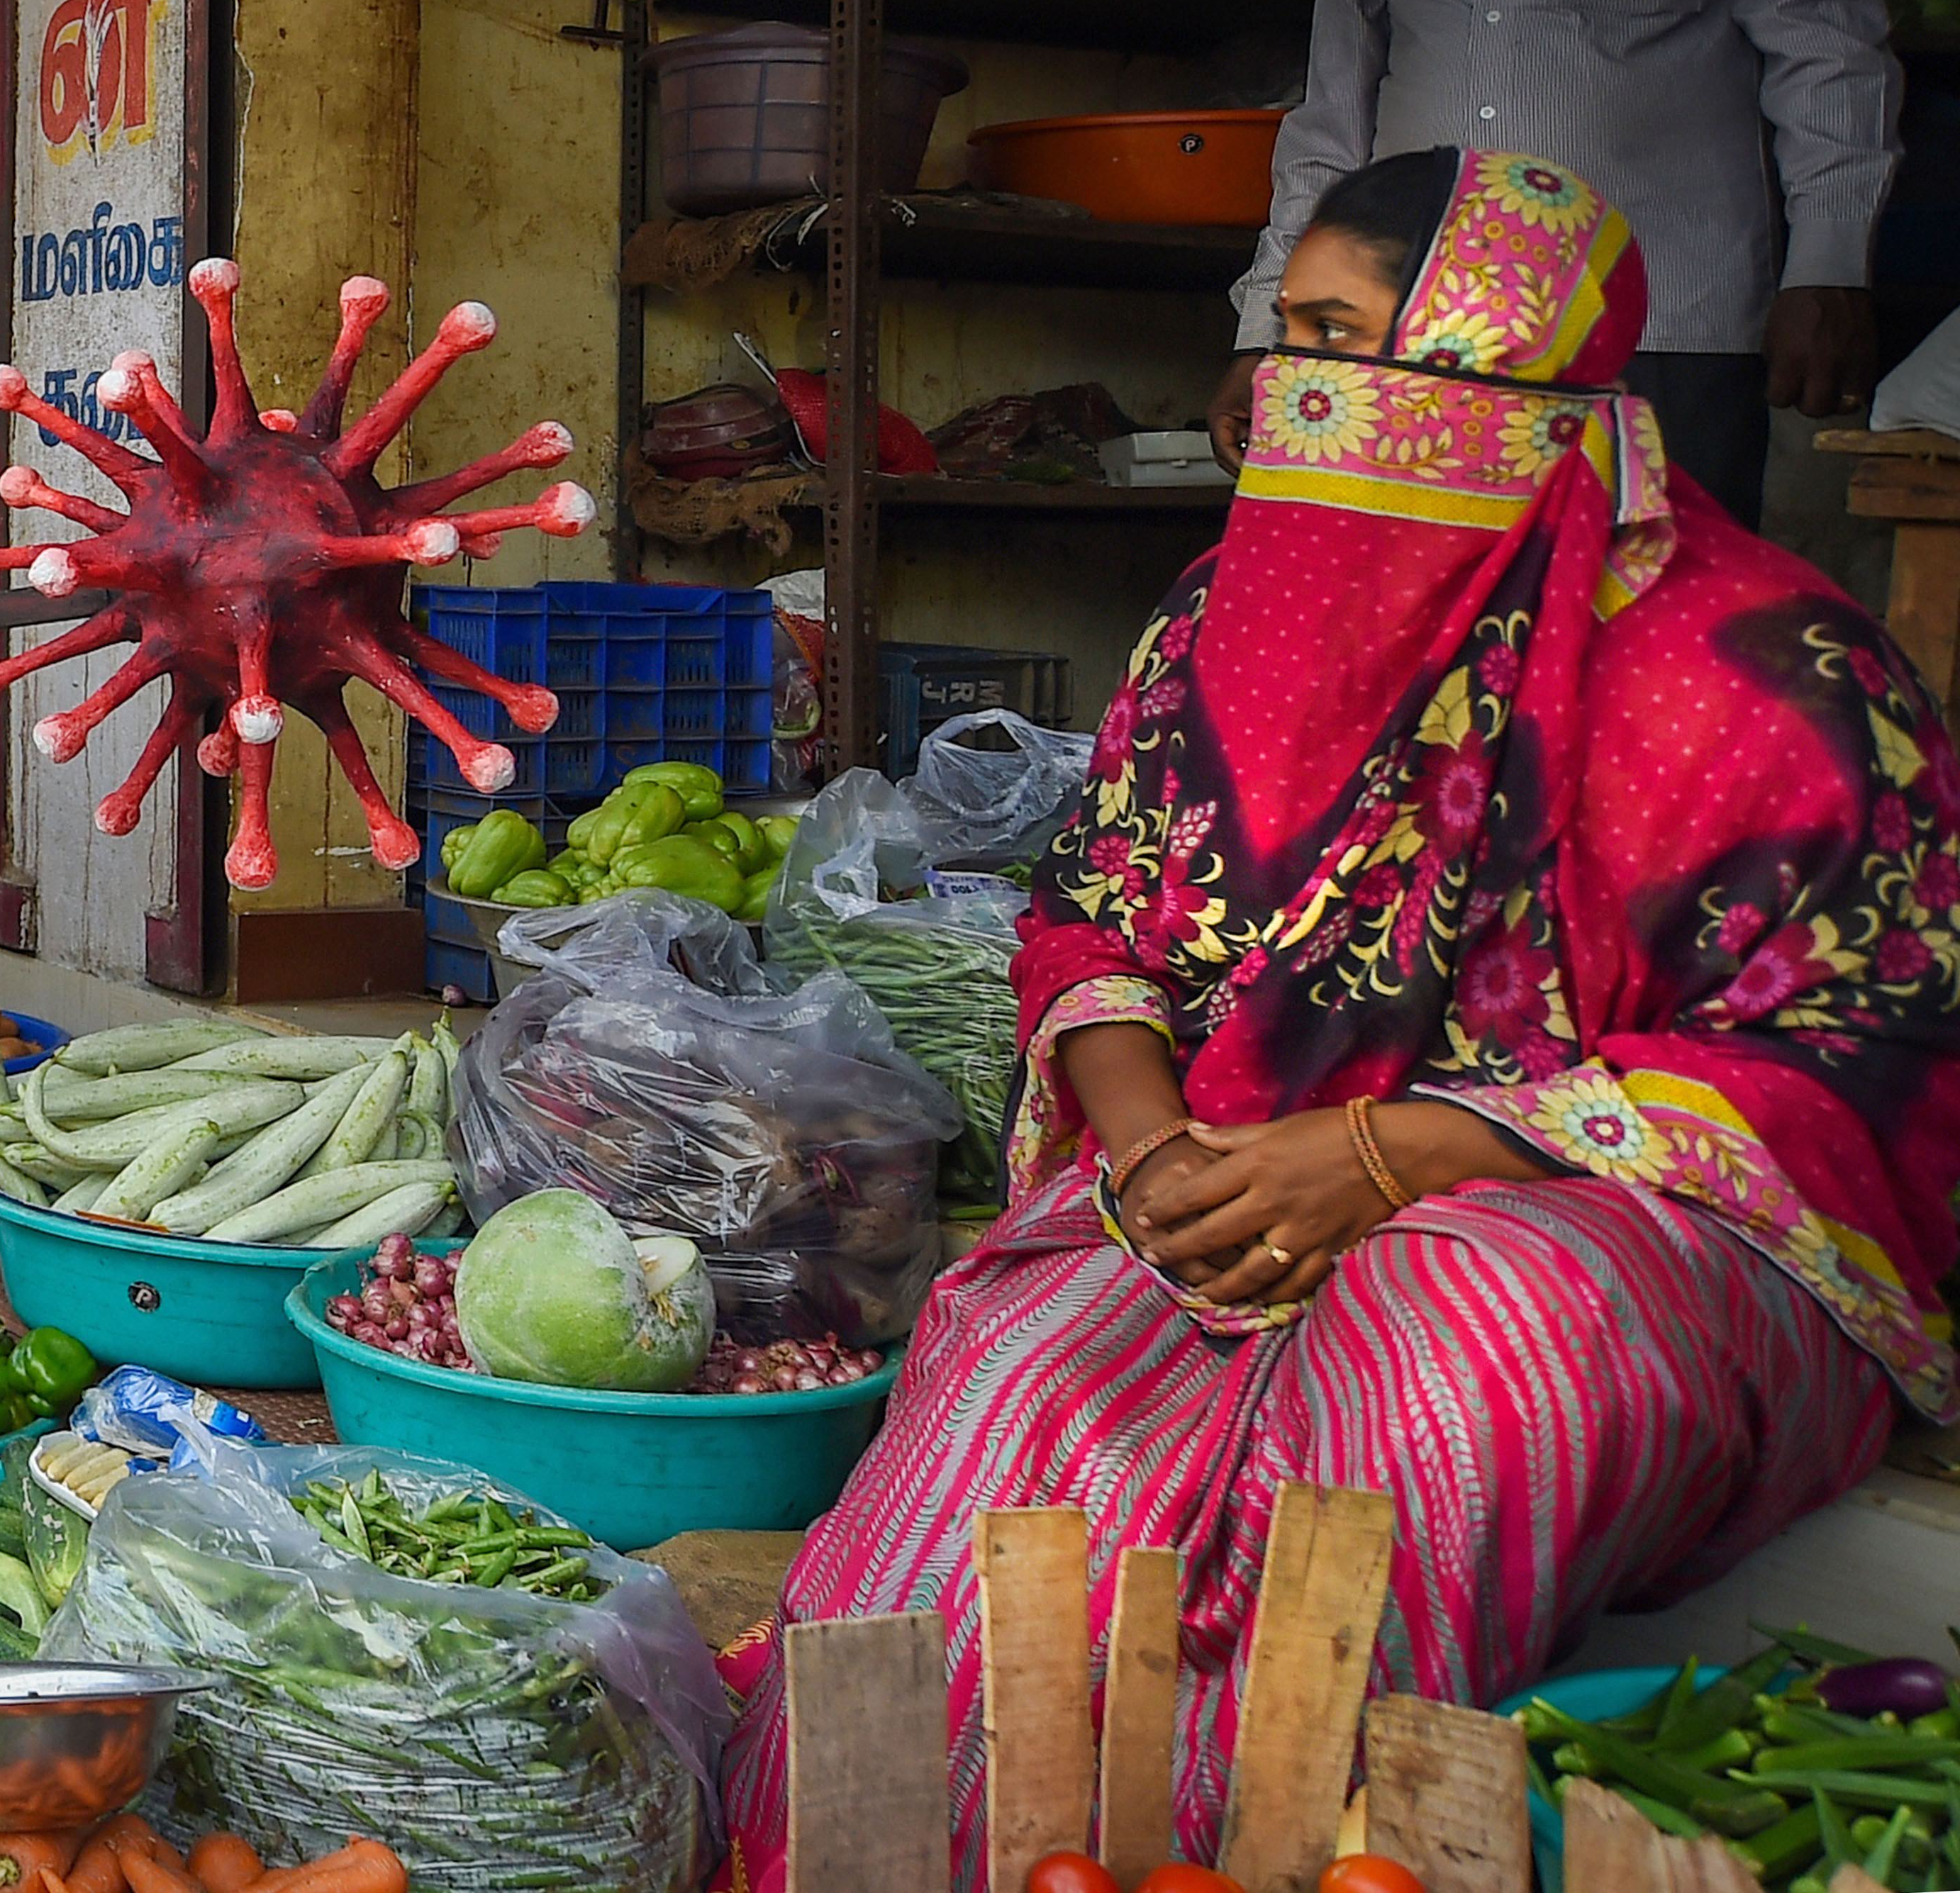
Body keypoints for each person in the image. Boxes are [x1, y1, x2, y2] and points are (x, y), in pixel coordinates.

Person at [717, 150, 1960, 1888]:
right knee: (1018, 1374)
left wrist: (1397, 1150)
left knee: (1454, 1349)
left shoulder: (1758, 670)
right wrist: (1146, 1142)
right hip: (1230, 1146)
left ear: (1493, 363)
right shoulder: (1227, 617)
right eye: (1281, 334)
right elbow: (1094, 909)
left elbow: (1859, 1046)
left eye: (1334, 335)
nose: (1281, 392)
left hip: (1610, 1218)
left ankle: (1291, 1846)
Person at [1207, 0, 1900, 531]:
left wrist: (1829, 263)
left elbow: (1824, 43)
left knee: (1650, 624)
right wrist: (1269, 336)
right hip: (1413, 339)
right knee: (1435, 636)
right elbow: (1327, 136)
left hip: (1661, 326)